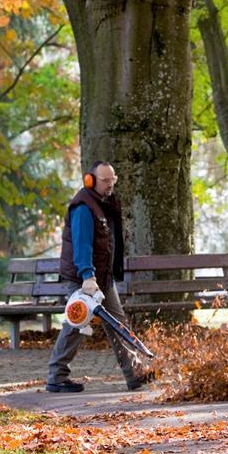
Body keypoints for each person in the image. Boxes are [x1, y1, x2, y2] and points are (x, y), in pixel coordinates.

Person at [47, 161, 151, 393]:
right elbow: (82, 245)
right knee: (76, 324)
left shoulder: (105, 204)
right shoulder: (84, 207)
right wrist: (87, 276)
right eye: (105, 180)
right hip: (84, 279)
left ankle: (134, 373)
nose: (110, 185)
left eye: (112, 180)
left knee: (118, 324)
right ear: (90, 180)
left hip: (102, 278)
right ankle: (57, 376)